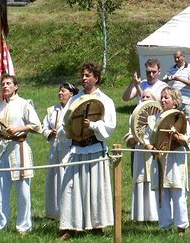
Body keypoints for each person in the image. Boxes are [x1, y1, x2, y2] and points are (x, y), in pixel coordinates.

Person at [59, 63, 116, 240]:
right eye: (82, 75)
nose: (83, 78)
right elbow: (64, 122)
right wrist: (70, 130)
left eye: (87, 75)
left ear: (96, 78)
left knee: (96, 188)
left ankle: (97, 225)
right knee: (71, 187)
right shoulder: (74, 100)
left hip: (94, 148)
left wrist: (92, 125)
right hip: (77, 148)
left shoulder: (105, 100)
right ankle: (70, 225)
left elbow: (110, 125)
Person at [0, 75, 42, 234]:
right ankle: (0, 225)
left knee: (23, 191)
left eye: (8, 84)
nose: (5, 86)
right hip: (3, 150)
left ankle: (23, 226)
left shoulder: (24, 104)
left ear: (16, 86)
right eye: (3, 84)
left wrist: (18, 128)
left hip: (19, 148)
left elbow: (36, 125)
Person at [146, 87, 190, 234]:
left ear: (175, 102)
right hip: (159, 158)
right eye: (162, 97)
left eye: (167, 98)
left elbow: (188, 141)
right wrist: (149, 146)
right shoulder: (154, 118)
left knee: (178, 193)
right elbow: (147, 138)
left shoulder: (181, 118)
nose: (163, 100)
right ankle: (164, 226)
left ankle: (181, 227)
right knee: (161, 193)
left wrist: (177, 134)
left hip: (176, 159)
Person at [42, 82, 78, 220]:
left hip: (67, 148)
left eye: (63, 91)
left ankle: (68, 211)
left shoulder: (73, 109)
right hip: (54, 148)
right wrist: (49, 133)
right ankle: (53, 211)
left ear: (71, 94)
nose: (60, 93)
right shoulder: (52, 110)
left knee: (66, 178)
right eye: (59, 91)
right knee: (53, 177)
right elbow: (43, 126)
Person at [124, 89, 159, 223]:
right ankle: (140, 216)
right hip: (139, 152)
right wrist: (136, 138)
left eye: (147, 96)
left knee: (153, 180)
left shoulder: (157, 115)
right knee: (140, 181)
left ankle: (154, 215)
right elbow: (129, 138)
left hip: (153, 152)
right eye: (142, 96)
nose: (144, 98)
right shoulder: (135, 115)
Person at [163, 50, 190, 146]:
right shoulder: (172, 68)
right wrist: (168, 78)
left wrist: (178, 78)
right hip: (175, 102)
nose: (176, 60)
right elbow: (163, 80)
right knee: (174, 121)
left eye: (178, 57)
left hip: (185, 100)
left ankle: (188, 141)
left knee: (187, 122)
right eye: (175, 58)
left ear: (183, 57)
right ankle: (175, 141)